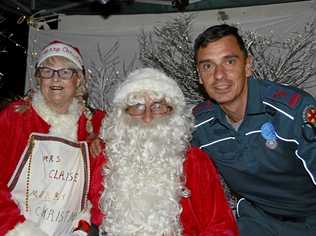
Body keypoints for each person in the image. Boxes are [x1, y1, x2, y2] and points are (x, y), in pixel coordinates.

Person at [192, 24, 316, 235]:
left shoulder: (293, 112)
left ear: (248, 65)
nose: (219, 75)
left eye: (229, 61)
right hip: (255, 222)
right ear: (200, 76)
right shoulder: (197, 126)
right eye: (208, 66)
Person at [98, 67, 238, 236]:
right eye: (137, 107)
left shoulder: (195, 162)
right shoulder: (105, 161)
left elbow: (221, 226)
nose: (147, 117)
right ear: (122, 115)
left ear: (173, 113)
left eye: (157, 107)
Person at [0, 41, 105, 236]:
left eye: (65, 72)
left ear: (78, 80)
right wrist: (15, 228)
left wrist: (83, 228)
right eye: (47, 71)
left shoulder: (97, 125)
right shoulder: (14, 118)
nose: (55, 79)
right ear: (39, 79)